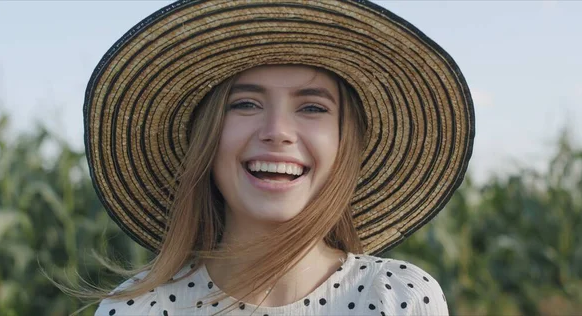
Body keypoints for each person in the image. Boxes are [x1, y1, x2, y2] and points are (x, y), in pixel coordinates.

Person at [83, 0, 474, 315]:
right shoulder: (139, 309)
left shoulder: (399, 298)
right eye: (246, 103)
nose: (277, 131)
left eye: (312, 108)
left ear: (345, 143)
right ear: (206, 137)